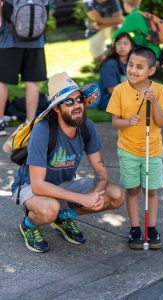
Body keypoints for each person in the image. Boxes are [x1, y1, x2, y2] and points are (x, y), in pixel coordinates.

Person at [11, 72, 124, 253]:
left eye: (79, 99)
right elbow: (38, 186)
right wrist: (81, 199)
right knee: (50, 209)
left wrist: (94, 195)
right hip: (30, 186)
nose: (77, 105)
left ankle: (63, 217)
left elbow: (101, 172)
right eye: (69, 102)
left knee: (115, 194)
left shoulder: (87, 127)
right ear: (56, 108)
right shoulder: (43, 130)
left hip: (64, 184)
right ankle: (29, 225)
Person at [106, 47, 163, 250]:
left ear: (151, 71)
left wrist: (154, 103)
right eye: (131, 65)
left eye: (139, 67)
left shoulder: (159, 90)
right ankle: (135, 228)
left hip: (152, 150)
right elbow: (115, 122)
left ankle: (151, 228)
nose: (133, 70)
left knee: (151, 191)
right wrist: (128, 122)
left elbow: (162, 123)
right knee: (133, 189)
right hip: (128, 150)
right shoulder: (119, 90)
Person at [0, 0, 48, 136]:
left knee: (2, 82)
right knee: (32, 82)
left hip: (8, 39)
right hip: (36, 40)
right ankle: (30, 124)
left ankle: (0, 123)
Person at [99, 32, 134, 111]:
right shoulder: (110, 64)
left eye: (125, 43)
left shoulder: (133, 63)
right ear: (114, 46)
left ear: (131, 46)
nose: (122, 46)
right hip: (109, 100)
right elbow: (111, 90)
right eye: (119, 43)